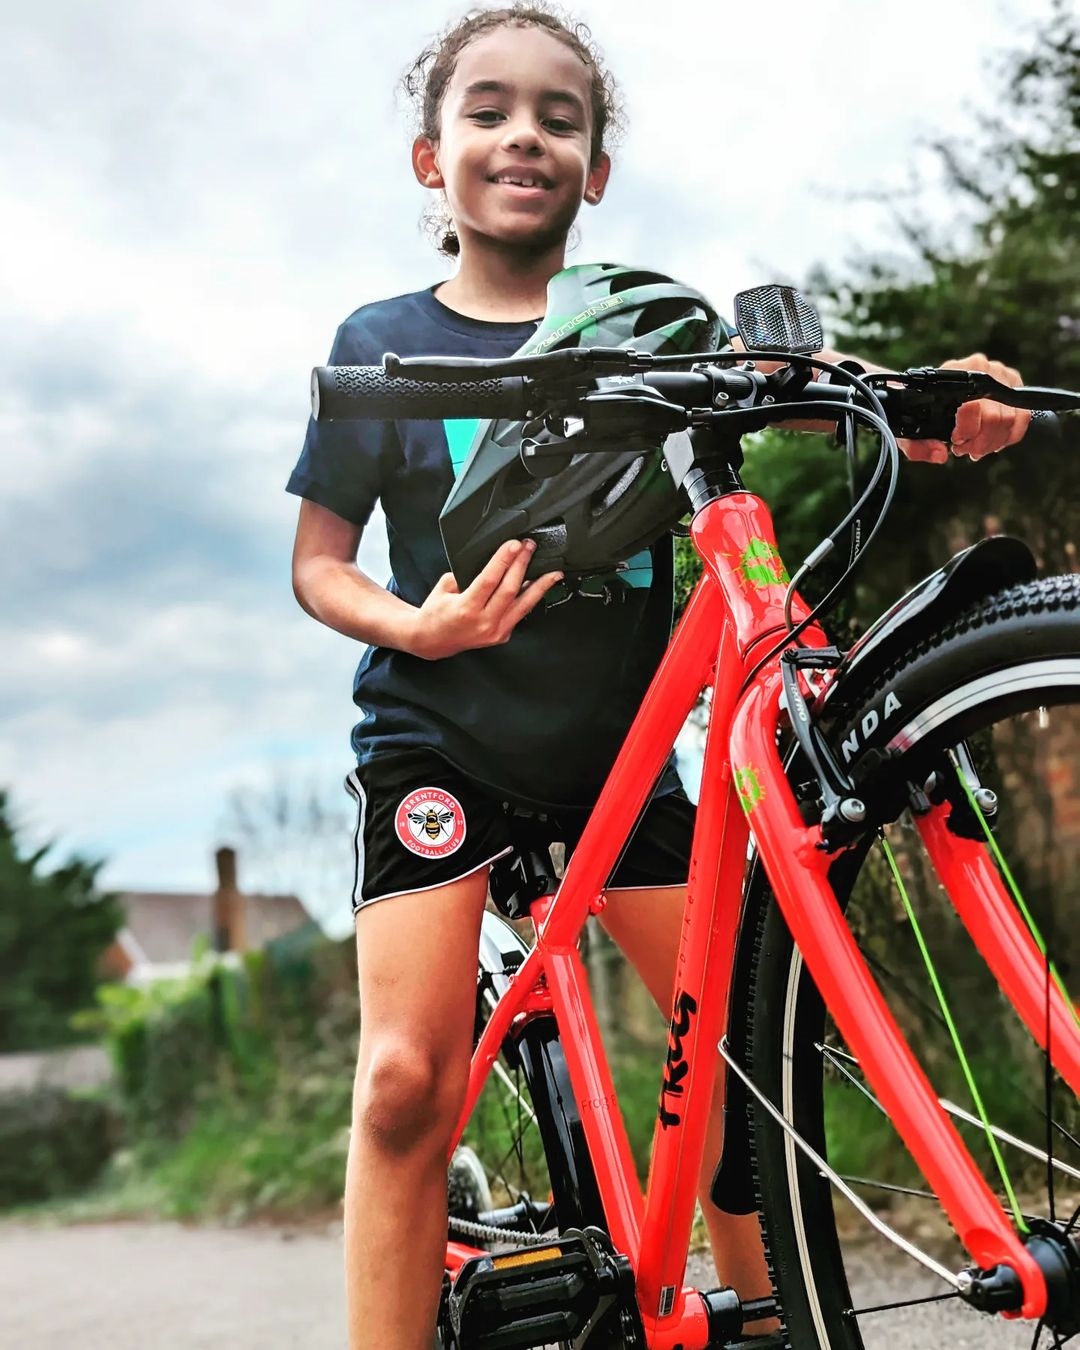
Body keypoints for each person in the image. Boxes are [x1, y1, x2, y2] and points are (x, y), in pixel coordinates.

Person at [287, 6, 1029, 1348]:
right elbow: (319, 565)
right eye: (490, 110)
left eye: (561, 117)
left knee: (748, 1039)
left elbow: (783, 381)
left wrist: (919, 402)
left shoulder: (644, 322)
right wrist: (419, 626)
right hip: (439, 743)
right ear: (428, 159)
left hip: (618, 757)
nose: (527, 133)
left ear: (597, 169)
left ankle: (751, 1314)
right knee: (405, 1082)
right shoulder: (385, 337)